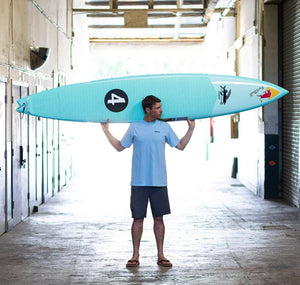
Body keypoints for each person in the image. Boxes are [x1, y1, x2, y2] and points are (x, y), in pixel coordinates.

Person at [101, 95, 195, 268]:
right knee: (138, 219)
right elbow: (120, 147)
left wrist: (191, 129)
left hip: (159, 182)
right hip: (139, 182)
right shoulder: (135, 127)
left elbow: (181, 146)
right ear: (148, 110)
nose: (161, 110)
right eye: (158, 108)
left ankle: (161, 255)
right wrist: (106, 131)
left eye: (161, 107)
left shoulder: (164, 127)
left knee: (159, 219)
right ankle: (135, 255)